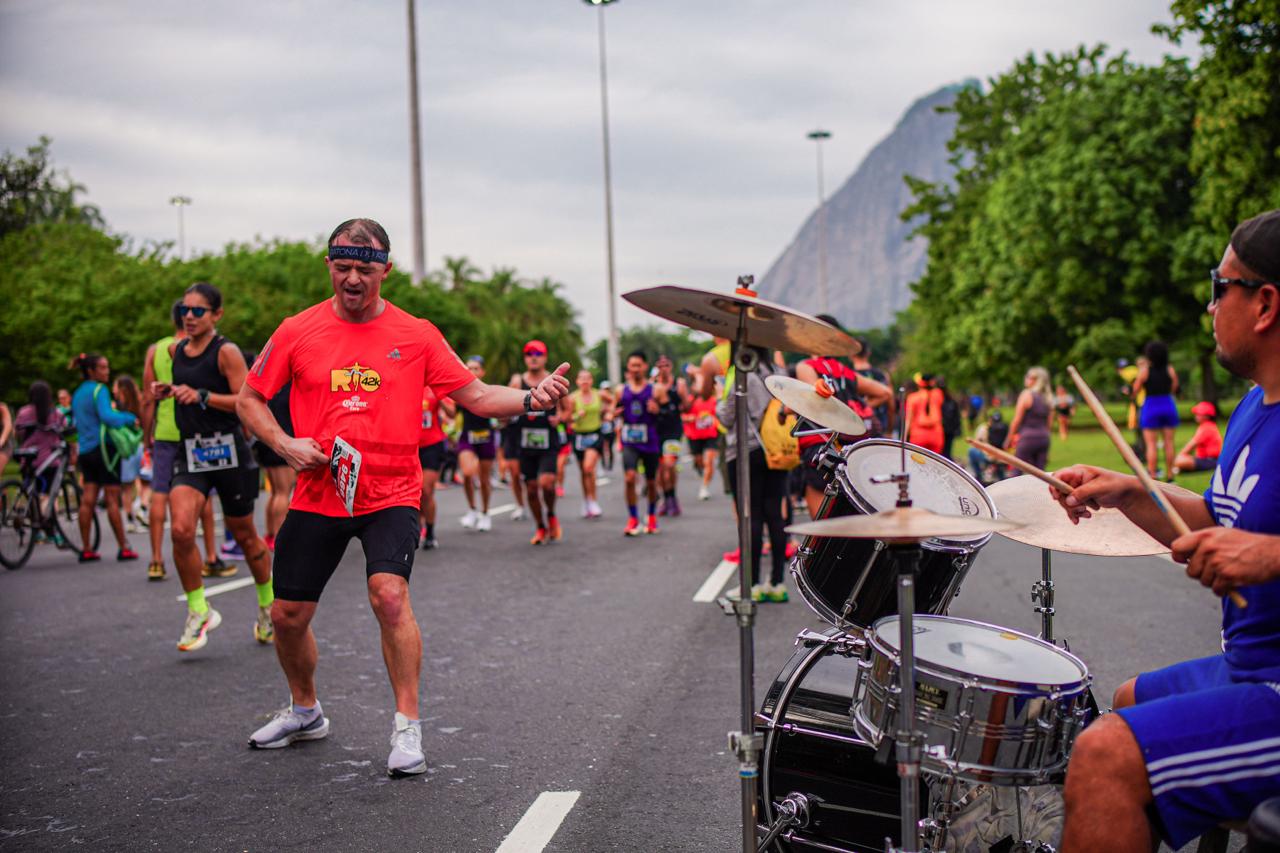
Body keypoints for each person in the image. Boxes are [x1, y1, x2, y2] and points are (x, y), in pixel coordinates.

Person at [237, 218, 570, 776]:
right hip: (320, 491)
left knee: (388, 595)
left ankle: (407, 729)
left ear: (385, 271)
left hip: (391, 491)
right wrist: (282, 441)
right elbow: (251, 397)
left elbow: (478, 394)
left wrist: (532, 399)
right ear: (328, 267)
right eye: (342, 268)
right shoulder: (297, 330)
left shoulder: (415, 334)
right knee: (287, 614)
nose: (352, 280)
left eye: (364, 270)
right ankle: (305, 710)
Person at [1052, 210, 1280, 852]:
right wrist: (1133, 492)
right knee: (1124, 700)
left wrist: (1271, 556)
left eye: (1219, 285)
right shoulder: (1255, 407)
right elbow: (1225, 521)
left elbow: (1257, 544)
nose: (1209, 306)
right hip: (1251, 666)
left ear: (1263, 304)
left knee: (1105, 756)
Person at [162, 282, 274, 652]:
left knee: (245, 536)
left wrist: (204, 396)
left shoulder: (225, 352)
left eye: (198, 311)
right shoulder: (175, 351)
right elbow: (188, 390)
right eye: (184, 309)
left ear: (216, 315)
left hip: (229, 453)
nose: (189, 316)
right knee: (180, 530)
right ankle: (199, 610)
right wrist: (168, 391)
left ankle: (268, 604)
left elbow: (246, 402)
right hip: (192, 453)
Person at [142, 300, 226, 582]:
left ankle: (155, 559)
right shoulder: (195, 349)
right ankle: (211, 557)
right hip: (195, 431)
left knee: (159, 493)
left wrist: (146, 435)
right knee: (202, 496)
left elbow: (148, 398)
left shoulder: (156, 350)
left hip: (165, 431)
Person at [716, 346, 790, 602]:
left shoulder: (742, 374)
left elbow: (726, 418)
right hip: (777, 450)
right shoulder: (778, 372)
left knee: (751, 517)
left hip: (746, 451)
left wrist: (718, 398)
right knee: (775, 515)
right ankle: (778, 583)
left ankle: (753, 584)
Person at [795, 325, 892, 517]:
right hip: (852, 446)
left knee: (822, 525)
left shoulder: (806, 366)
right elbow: (885, 392)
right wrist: (860, 410)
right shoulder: (845, 371)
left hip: (821, 444)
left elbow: (811, 401)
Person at [69, 352, 139, 562]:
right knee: (111, 498)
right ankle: (123, 547)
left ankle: (86, 547)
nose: (107, 372)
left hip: (86, 450)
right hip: (104, 450)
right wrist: (129, 418)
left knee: (88, 498)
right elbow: (107, 416)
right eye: (103, 368)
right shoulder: (100, 390)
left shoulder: (78, 393)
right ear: (91, 371)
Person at [509, 341, 563, 545]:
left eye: (538, 353)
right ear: (525, 358)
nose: (533, 357)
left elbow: (566, 409)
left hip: (548, 441)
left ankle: (551, 514)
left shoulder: (554, 380)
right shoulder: (517, 382)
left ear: (545, 357)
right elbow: (507, 406)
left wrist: (561, 418)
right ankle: (540, 526)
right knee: (531, 488)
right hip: (525, 442)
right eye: (529, 353)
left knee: (547, 484)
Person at [617, 350, 665, 536]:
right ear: (628, 368)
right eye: (632, 366)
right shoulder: (621, 390)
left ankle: (651, 516)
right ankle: (633, 518)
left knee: (651, 482)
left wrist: (657, 410)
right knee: (629, 478)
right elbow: (613, 410)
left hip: (650, 441)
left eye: (638, 365)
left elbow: (669, 412)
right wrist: (611, 415)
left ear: (645, 366)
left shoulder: (656, 390)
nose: (635, 369)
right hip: (629, 440)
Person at [14, 381, 68, 535]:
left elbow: (17, 434)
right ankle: (49, 524)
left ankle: (35, 528)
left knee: (33, 494)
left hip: (28, 460)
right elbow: (64, 430)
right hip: (49, 461)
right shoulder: (56, 414)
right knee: (50, 495)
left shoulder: (23, 412)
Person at [253, 382, 296, 551]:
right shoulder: (289, 388)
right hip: (282, 442)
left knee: (275, 492)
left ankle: (271, 534)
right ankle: (278, 536)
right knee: (283, 493)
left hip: (267, 442)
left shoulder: (271, 386)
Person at [457, 356, 497, 533]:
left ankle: (485, 513)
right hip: (467, 436)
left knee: (484, 479)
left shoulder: (488, 390)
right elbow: (451, 414)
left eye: (475, 368)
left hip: (486, 436)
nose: (471, 371)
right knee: (467, 473)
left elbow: (499, 410)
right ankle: (472, 509)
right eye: (468, 368)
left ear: (482, 371)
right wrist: (441, 398)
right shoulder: (460, 391)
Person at [1133, 340, 1180, 481]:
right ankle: (1170, 475)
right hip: (1167, 403)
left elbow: (1135, 390)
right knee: (1169, 442)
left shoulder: (1145, 371)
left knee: (1151, 444)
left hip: (1151, 405)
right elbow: (1174, 386)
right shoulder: (1170, 369)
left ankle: (1152, 475)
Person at [564, 368, 605, 518]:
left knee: (589, 468)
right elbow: (567, 418)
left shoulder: (599, 394)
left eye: (587, 378)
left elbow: (613, 401)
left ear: (592, 381)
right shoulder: (573, 398)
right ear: (577, 381)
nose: (585, 381)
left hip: (595, 434)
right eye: (582, 378)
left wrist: (609, 413)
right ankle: (587, 500)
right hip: (579, 436)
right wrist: (576, 416)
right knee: (583, 471)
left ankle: (593, 501)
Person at [417, 380, 452, 549]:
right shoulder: (406, 385)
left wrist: (440, 398)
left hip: (432, 445)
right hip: (410, 446)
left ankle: (430, 532)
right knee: (413, 493)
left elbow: (452, 413)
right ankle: (417, 528)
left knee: (426, 490)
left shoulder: (434, 388)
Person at [653, 354, 688, 517]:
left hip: (673, 429)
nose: (663, 368)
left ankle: (672, 497)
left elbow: (686, 406)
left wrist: (682, 396)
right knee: (659, 469)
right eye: (660, 365)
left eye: (666, 365)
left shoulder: (679, 383)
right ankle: (666, 499)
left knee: (669, 465)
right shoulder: (652, 384)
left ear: (671, 366)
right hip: (655, 430)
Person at [113, 375, 146, 533]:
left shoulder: (115, 408)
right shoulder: (138, 403)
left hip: (125, 448)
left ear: (121, 388)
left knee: (126, 487)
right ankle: (141, 507)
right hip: (139, 445)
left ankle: (130, 519)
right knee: (144, 481)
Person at [1005, 366, 1054, 471]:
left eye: (1029, 376)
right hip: (1044, 439)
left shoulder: (1026, 394)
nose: (1025, 378)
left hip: (1028, 438)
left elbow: (1016, 420)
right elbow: (1049, 425)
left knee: (1016, 471)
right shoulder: (1048, 398)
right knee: (1040, 475)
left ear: (1037, 380)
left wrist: (1008, 440)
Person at [851, 336, 894, 434]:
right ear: (868, 353)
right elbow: (891, 406)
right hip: (879, 429)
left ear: (850, 354)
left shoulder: (847, 376)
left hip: (854, 430)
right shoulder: (882, 375)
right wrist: (890, 431)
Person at [684, 381, 720, 501]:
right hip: (694, 436)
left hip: (710, 435)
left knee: (709, 460)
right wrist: (688, 418)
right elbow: (681, 414)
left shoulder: (714, 400)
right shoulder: (690, 400)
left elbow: (720, 414)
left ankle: (704, 487)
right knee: (699, 461)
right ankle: (699, 467)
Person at [1172, 400, 1223, 476]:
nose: (1196, 416)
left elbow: (1190, 446)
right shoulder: (1207, 426)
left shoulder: (1207, 428)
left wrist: (1178, 458)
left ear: (1207, 416)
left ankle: (1180, 468)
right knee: (1181, 460)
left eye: (1199, 414)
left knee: (1179, 461)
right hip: (1206, 459)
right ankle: (1181, 468)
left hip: (1211, 461)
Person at [904, 373, 945, 454]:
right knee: (934, 463)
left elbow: (909, 419)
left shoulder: (912, 397)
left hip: (918, 435)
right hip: (936, 435)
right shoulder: (938, 394)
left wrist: (904, 437)